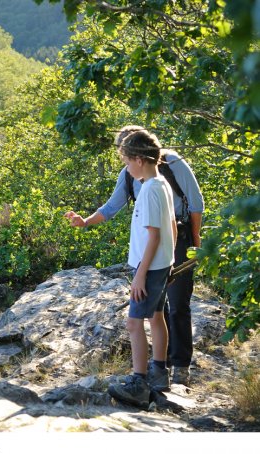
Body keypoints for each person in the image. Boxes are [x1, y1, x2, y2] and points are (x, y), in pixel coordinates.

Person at [64, 126, 203, 386]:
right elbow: (111, 207)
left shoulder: (171, 166)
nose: (124, 163)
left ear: (137, 154)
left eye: (126, 156)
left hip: (177, 243)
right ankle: (161, 369)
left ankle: (178, 366)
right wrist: (85, 222)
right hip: (161, 248)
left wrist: (195, 246)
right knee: (160, 312)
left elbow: (195, 205)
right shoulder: (136, 176)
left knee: (176, 306)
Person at [100, 130, 176, 406]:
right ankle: (159, 374)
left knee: (134, 323)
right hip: (161, 264)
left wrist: (140, 275)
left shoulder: (148, 191)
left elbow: (154, 236)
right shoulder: (161, 184)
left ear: (140, 159)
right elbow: (171, 229)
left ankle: (139, 382)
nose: (126, 167)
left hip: (150, 268)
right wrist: (170, 260)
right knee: (156, 316)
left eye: (127, 161)